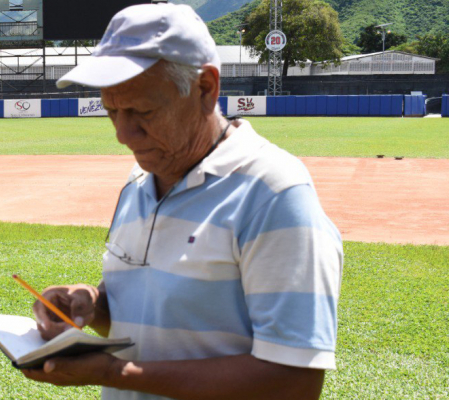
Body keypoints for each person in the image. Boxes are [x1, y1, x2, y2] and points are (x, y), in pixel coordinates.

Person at [22, 4, 343, 400]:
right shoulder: (140, 181)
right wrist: (91, 303)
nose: (123, 134)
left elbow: (295, 381)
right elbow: (145, 314)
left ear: (206, 88)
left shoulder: (273, 194)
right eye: (111, 111)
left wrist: (115, 372)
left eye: (142, 111)